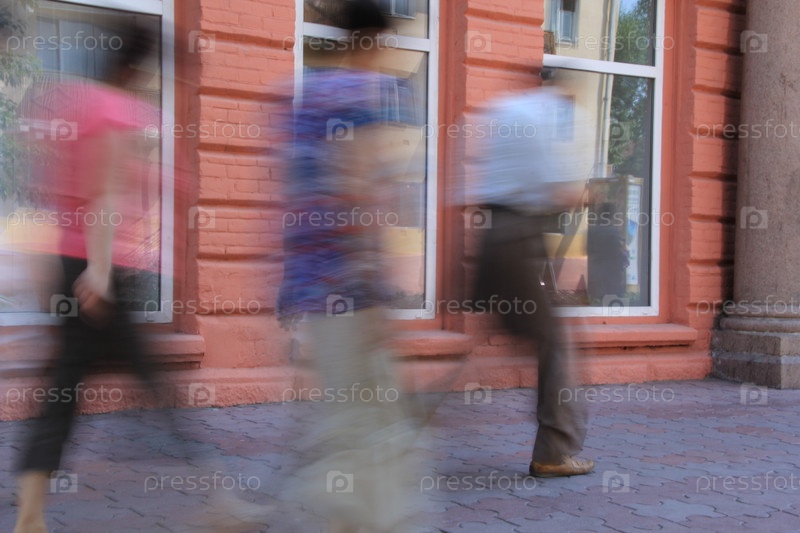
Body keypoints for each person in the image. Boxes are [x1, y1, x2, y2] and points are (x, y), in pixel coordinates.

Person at [11, 22, 163, 533]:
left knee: (63, 391)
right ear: (137, 68)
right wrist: (99, 272)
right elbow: (104, 194)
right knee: (155, 387)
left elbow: (49, 188)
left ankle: (31, 513)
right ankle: (219, 497)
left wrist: (51, 270)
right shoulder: (116, 110)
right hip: (101, 273)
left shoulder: (73, 106)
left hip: (69, 265)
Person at [276, 1, 422, 530]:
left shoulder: (302, 97)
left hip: (312, 285)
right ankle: (349, 517)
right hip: (348, 287)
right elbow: (357, 196)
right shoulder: (360, 99)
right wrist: (375, 291)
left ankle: (338, 513)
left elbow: (291, 199)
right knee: (371, 419)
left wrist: (290, 286)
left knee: (345, 414)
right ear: (374, 41)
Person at [469, 78, 595, 478]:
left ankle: (406, 425)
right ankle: (553, 453)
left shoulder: (505, 111)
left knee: (521, 338)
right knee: (555, 345)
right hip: (516, 239)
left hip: (494, 236)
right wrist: (587, 195)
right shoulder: (537, 120)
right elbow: (555, 190)